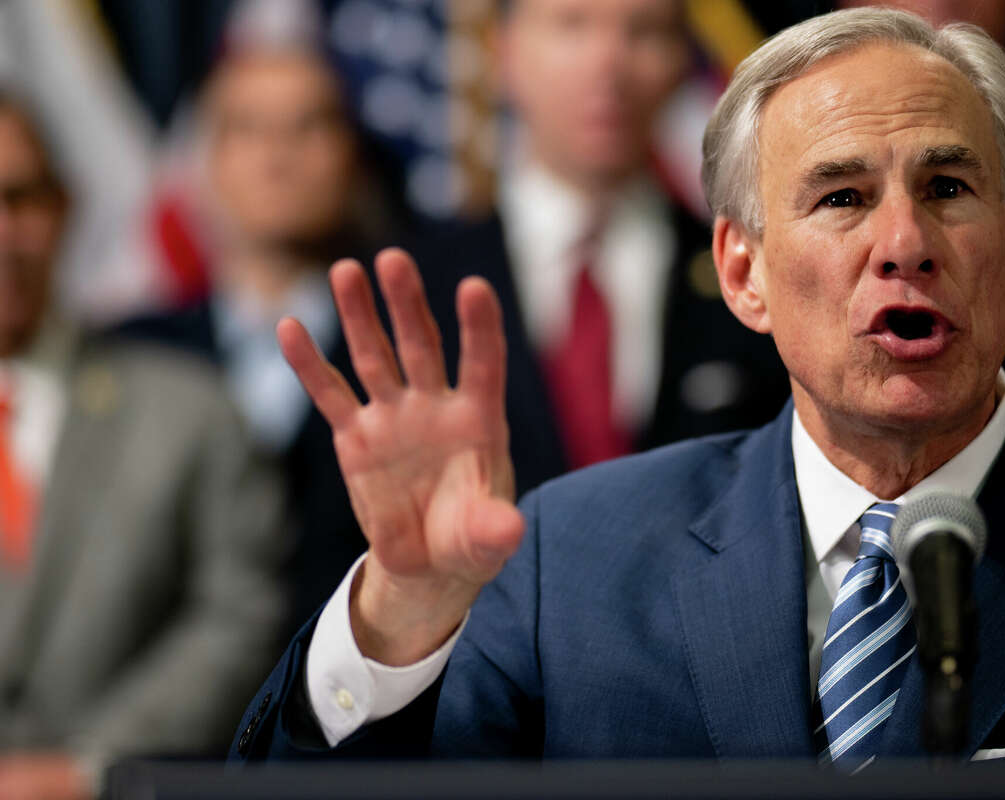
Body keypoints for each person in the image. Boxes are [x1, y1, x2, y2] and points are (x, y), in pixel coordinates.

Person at [231, 7, 1005, 765]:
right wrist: (402, 611)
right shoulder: (567, 562)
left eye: (948, 188)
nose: (903, 244)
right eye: (842, 197)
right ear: (744, 273)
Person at [0, 94, 286, 799]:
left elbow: (239, 613)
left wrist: (89, 767)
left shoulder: (194, 409)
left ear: (65, 207)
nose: (2, 232)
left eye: (20, 198)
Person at [408, 0, 790, 493]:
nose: (609, 62)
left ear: (682, 61)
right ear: (500, 53)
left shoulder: (753, 278)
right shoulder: (411, 289)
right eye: (572, 24)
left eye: (645, 31)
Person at [119, 42, 381, 630]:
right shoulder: (129, 354)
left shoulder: (408, 355)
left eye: (308, 126)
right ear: (207, 160)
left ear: (352, 156)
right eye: (248, 129)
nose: (278, 155)